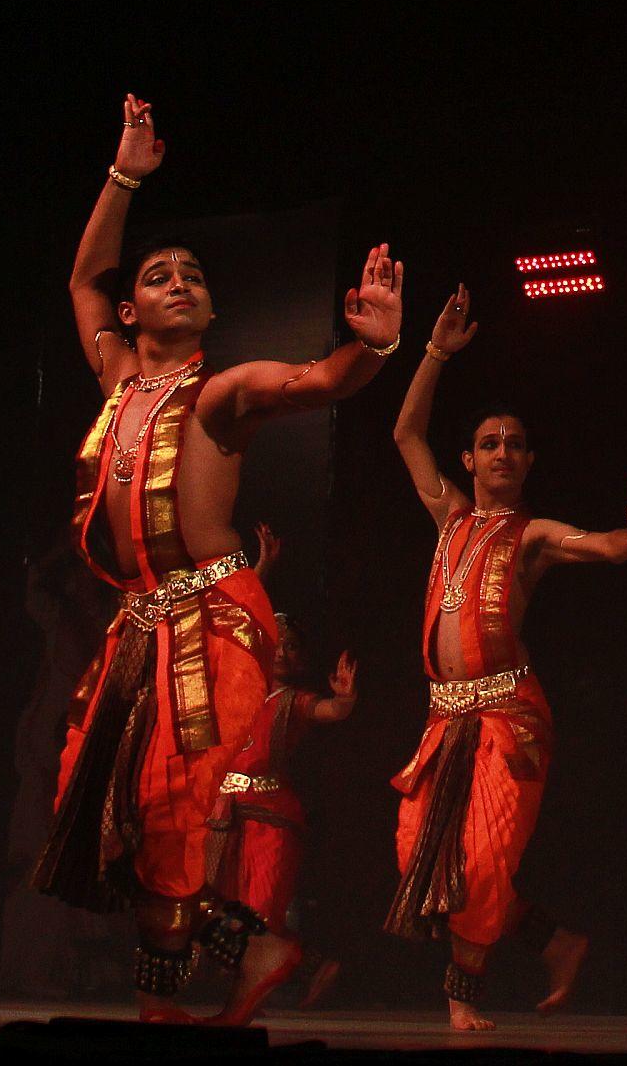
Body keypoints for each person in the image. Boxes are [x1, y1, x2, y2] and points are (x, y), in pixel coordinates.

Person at [31, 95, 404, 1024]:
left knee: (170, 806)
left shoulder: (220, 393)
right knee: (111, 814)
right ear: (133, 308)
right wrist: (125, 178)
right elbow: (83, 281)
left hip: (214, 614)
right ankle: (236, 959)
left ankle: (209, 979)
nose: (181, 280)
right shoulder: (117, 377)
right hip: (137, 627)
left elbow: (317, 381)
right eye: (160, 274)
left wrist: (375, 343)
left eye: (194, 273)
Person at [385, 287, 627, 1030]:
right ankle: (557, 940)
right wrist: (437, 351)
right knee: (419, 853)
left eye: (514, 443)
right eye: (489, 442)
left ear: (529, 458)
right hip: (443, 723)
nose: (502, 451)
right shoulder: (447, 516)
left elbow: (603, 546)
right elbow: (405, 430)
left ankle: (463, 1000)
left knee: (479, 863)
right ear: (469, 458)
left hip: (509, 716)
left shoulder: (532, 534)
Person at [198, 525, 358, 1025]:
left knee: (261, 913)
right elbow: (233, 620)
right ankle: (310, 964)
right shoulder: (236, 684)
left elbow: (330, 712)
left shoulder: (293, 701)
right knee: (217, 913)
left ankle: (246, 1006)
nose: (285, 652)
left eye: (294, 648)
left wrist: (346, 700)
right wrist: (261, 570)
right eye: (278, 643)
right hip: (224, 817)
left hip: (270, 816)